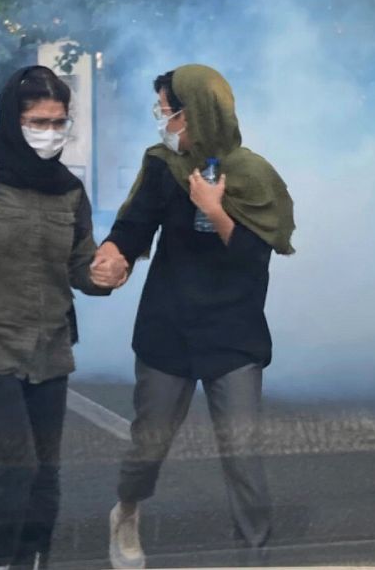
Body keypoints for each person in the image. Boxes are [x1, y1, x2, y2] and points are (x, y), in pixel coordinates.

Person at [0, 66, 128, 570]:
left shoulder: (68, 190)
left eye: (59, 121)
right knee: (11, 465)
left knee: (45, 474)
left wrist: (105, 273)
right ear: (12, 122)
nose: (50, 132)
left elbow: (79, 266)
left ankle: (31, 560)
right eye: (38, 121)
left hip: (49, 350)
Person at [97, 65, 295, 570]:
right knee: (150, 443)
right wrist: (115, 254)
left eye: (169, 108)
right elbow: (135, 223)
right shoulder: (164, 165)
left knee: (243, 454)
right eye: (163, 108)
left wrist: (215, 207)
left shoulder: (252, 174)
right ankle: (126, 513)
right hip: (169, 328)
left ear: (198, 112)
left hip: (234, 334)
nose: (163, 118)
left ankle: (254, 555)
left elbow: (254, 257)